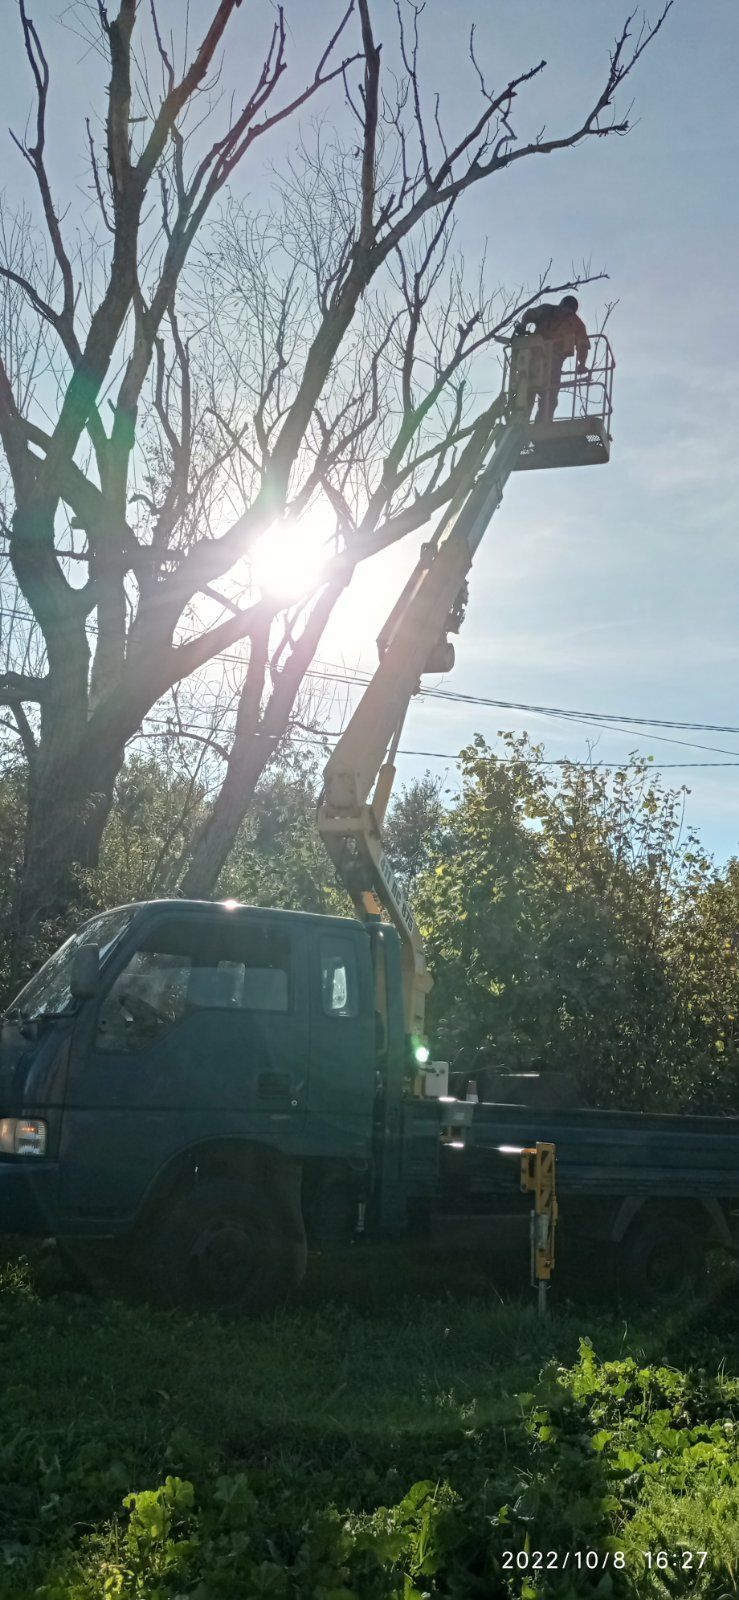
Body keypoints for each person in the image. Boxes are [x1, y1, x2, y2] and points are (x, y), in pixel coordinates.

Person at [513, 294, 591, 424]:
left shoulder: (576, 324)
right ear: (560, 304)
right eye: (562, 308)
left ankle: (542, 424)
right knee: (527, 392)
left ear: (572, 313)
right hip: (533, 359)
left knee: (549, 396)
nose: (562, 313)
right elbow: (529, 314)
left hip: (554, 363)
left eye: (567, 311)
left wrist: (581, 364)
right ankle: (521, 422)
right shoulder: (546, 310)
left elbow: (583, 345)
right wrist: (523, 325)